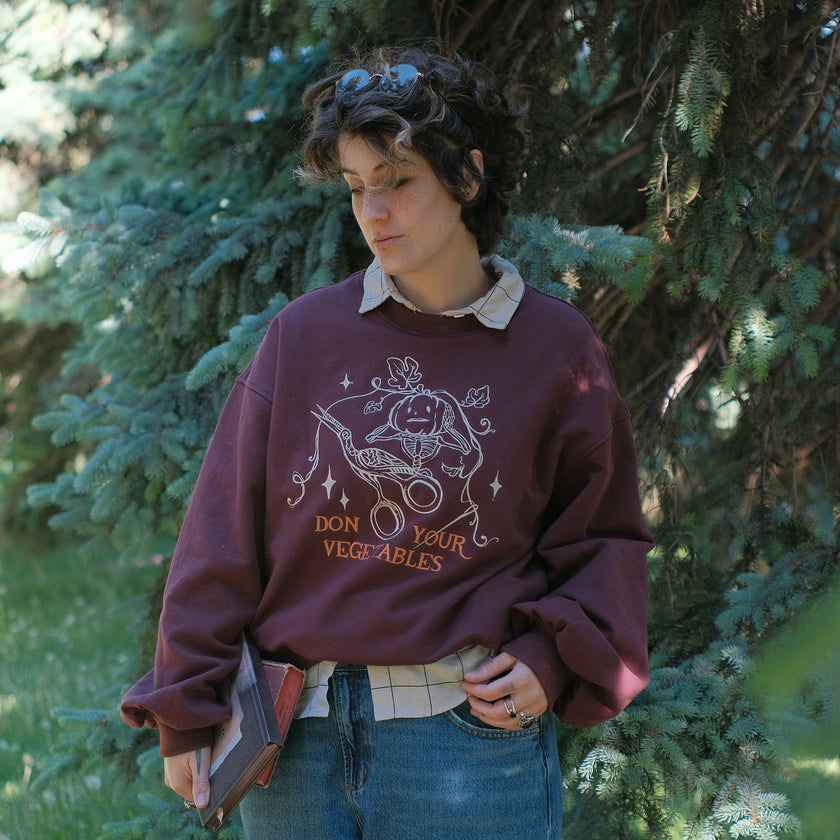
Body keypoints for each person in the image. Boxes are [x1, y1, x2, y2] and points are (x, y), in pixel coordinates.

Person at [121, 44, 653, 839]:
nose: (373, 211)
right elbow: (220, 533)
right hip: (295, 749)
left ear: (466, 177)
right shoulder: (303, 338)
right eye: (357, 186)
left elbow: (604, 538)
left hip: (467, 742)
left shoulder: (556, 351)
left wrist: (553, 662)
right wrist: (186, 708)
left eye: (398, 182)